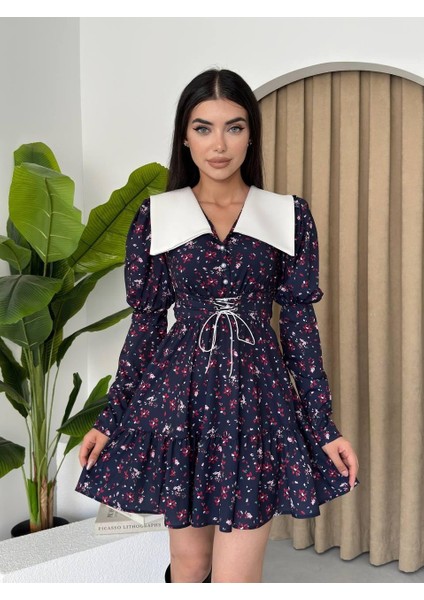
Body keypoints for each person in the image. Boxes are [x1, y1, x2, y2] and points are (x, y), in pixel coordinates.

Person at [76, 68, 359, 584]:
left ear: (251, 135)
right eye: (203, 128)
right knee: (190, 567)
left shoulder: (287, 215)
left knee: (235, 578)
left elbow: (300, 329)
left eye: (234, 127)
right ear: (185, 137)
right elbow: (145, 328)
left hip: (257, 406)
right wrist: (110, 419)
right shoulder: (157, 215)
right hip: (179, 403)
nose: (219, 144)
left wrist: (323, 427)